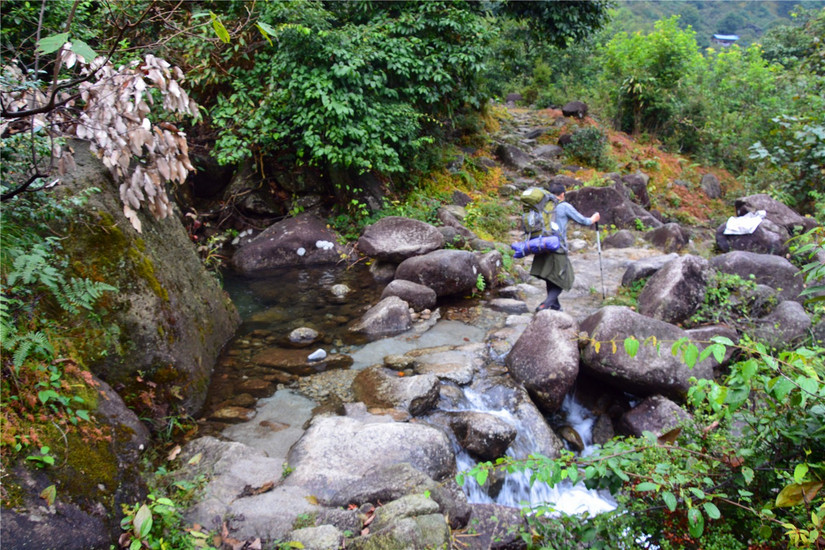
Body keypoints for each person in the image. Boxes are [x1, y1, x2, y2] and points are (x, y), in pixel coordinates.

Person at [530, 182, 600, 312]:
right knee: (565, 278)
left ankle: (555, 306)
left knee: (550, 276)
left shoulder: (543, 205)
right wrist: (593, 219)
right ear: (562, 194)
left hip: (541, 245)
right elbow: (583, 221)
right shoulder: (564, 206)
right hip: (557, 247)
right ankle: (545, 304)